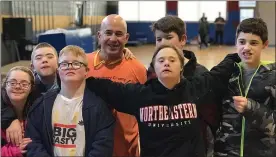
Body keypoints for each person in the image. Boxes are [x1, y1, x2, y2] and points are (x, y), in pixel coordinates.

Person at [84, 44, 241, 157]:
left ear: (181, 66)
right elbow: (107, 87)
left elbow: (218, 73)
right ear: (154, 67)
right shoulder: (140, 95)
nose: (166, 63)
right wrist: (80, 77)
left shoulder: (196, 88)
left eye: (172, 60)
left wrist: (237, 54)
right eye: (161, 60)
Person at [147, 15, 219, 156]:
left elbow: (212, 118)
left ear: (183, 40)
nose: (163, 43)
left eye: (168, 38)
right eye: (158, 39)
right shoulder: (151, 73)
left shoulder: (200, 74)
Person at [25, 45, 115, 157]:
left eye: (77, 64)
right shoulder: (42, 105)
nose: (70, 67)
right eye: (64, 64)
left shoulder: (99, 108)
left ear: (86, 71)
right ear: (58, 70)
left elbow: (103, 147)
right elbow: (33, 142)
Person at [87, 14, 147, 157]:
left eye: (119, 34)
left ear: (126, 38)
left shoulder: (138, 69)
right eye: (108, 33)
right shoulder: (83, 63)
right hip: (91, 148)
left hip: (126, 150)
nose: (113, 39)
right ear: (99, 35)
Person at [214, 18, 276, 157]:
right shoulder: (225, 74)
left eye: (253, 43)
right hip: (226, 152)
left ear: (265, 44)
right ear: (236, 42)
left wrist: (252, 108)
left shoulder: (273, 77)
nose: (246, 47)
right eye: (242, 42)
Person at [1, 66, 35, 156]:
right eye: (12, 83)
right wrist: (14, 151)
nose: (17, 86)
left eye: (24, 84)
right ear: (5, 86)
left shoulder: (36, 112)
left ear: (31, 88)